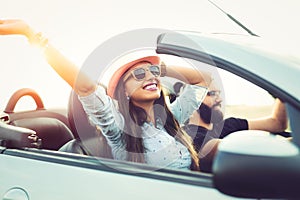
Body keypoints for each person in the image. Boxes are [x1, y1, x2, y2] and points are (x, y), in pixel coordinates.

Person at [0, 19, 212, 171]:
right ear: (125, 91)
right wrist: (31, 34)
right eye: (138, 74)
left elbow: (204, 79)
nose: (149, 76)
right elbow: (84, 87)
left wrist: (160, 68)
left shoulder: (172, 118)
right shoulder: (120, 128)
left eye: (154, 73)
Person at [181, 80, 288, 172]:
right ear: (191, 100)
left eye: (218, 94)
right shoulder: (190, 136)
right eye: (212, 94)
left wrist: (282, 90)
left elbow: (277, 123)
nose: (219, 99)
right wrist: (290, 145)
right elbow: (245, 151)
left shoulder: (229, 125)